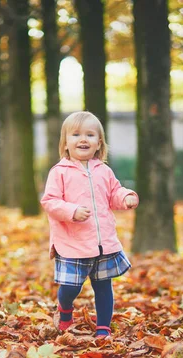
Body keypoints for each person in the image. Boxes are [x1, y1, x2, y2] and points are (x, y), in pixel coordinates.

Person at [41, 110, 139, 339]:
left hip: (103, 242)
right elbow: (50, 201)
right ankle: (65, 309)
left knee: (103, 285)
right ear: (65, 143)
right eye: (75, 135)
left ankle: (103, 328)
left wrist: (126, 197)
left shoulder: (104, 171)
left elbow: (114, 192)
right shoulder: (59, 172)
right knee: (70, 288)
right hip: (73, 243)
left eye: (90, 135)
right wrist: (72, 211)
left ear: (99, 143)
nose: (83, 139)